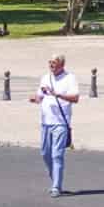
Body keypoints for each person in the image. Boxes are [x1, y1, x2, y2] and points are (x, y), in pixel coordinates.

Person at [31, 52, 80, 197]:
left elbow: (75, 98)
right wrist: (35, 99)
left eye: (54, 62)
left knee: (56, 155)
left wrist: (57, 94)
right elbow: (40, 96)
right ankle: (56, 180)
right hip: (46, 122)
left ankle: (56, 187)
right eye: (50, 62)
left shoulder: (70, 78)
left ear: (61, 64)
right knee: (45, 153)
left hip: (60, 123)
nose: (51, 65)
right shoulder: (45, 78)